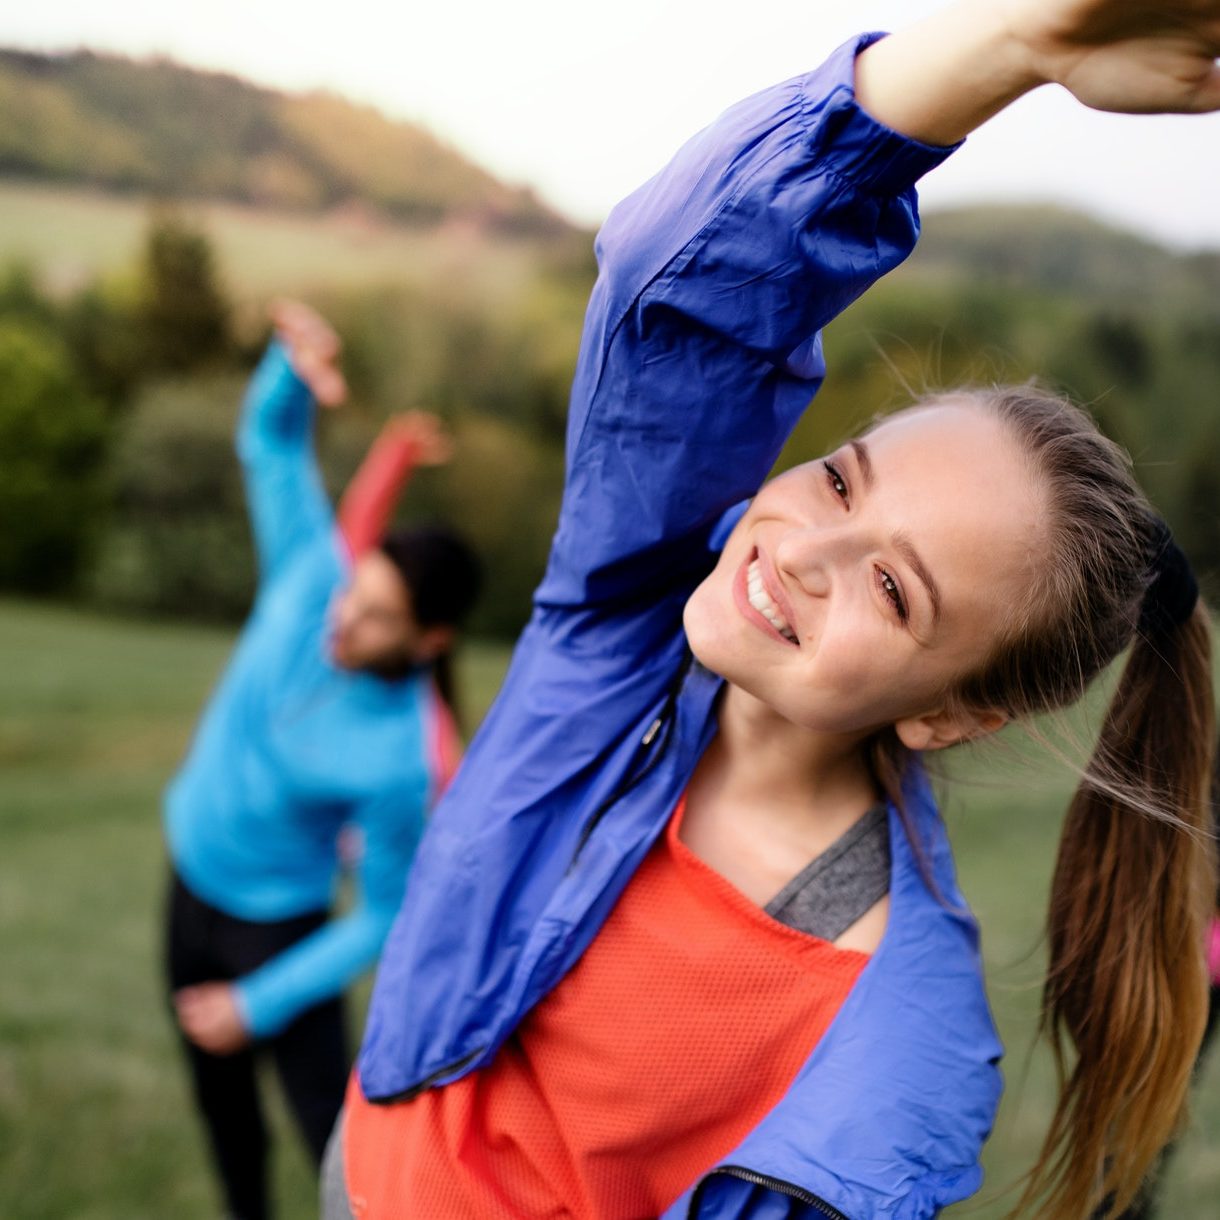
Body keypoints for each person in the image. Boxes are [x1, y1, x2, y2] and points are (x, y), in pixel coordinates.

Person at [325, 1, 1220, 1216]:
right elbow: (682, 294)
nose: (804, 547)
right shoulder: (623, 623)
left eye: (894, 589)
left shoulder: (881, 1056)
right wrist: (1015, 48)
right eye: (843, 474)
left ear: (957, 710)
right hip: (360, 1159)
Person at [163, 299, 481, 1220]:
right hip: (188, 884)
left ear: (429, 641)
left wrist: (258, 1002)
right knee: (223, 1113)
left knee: (330, 1135)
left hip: (277, 928)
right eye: (359, 595)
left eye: (378, 617)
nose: (345, 621)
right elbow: (269, 442)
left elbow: (383, 913)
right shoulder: (313, 577)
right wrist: (291, 370)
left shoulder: (401, 758)